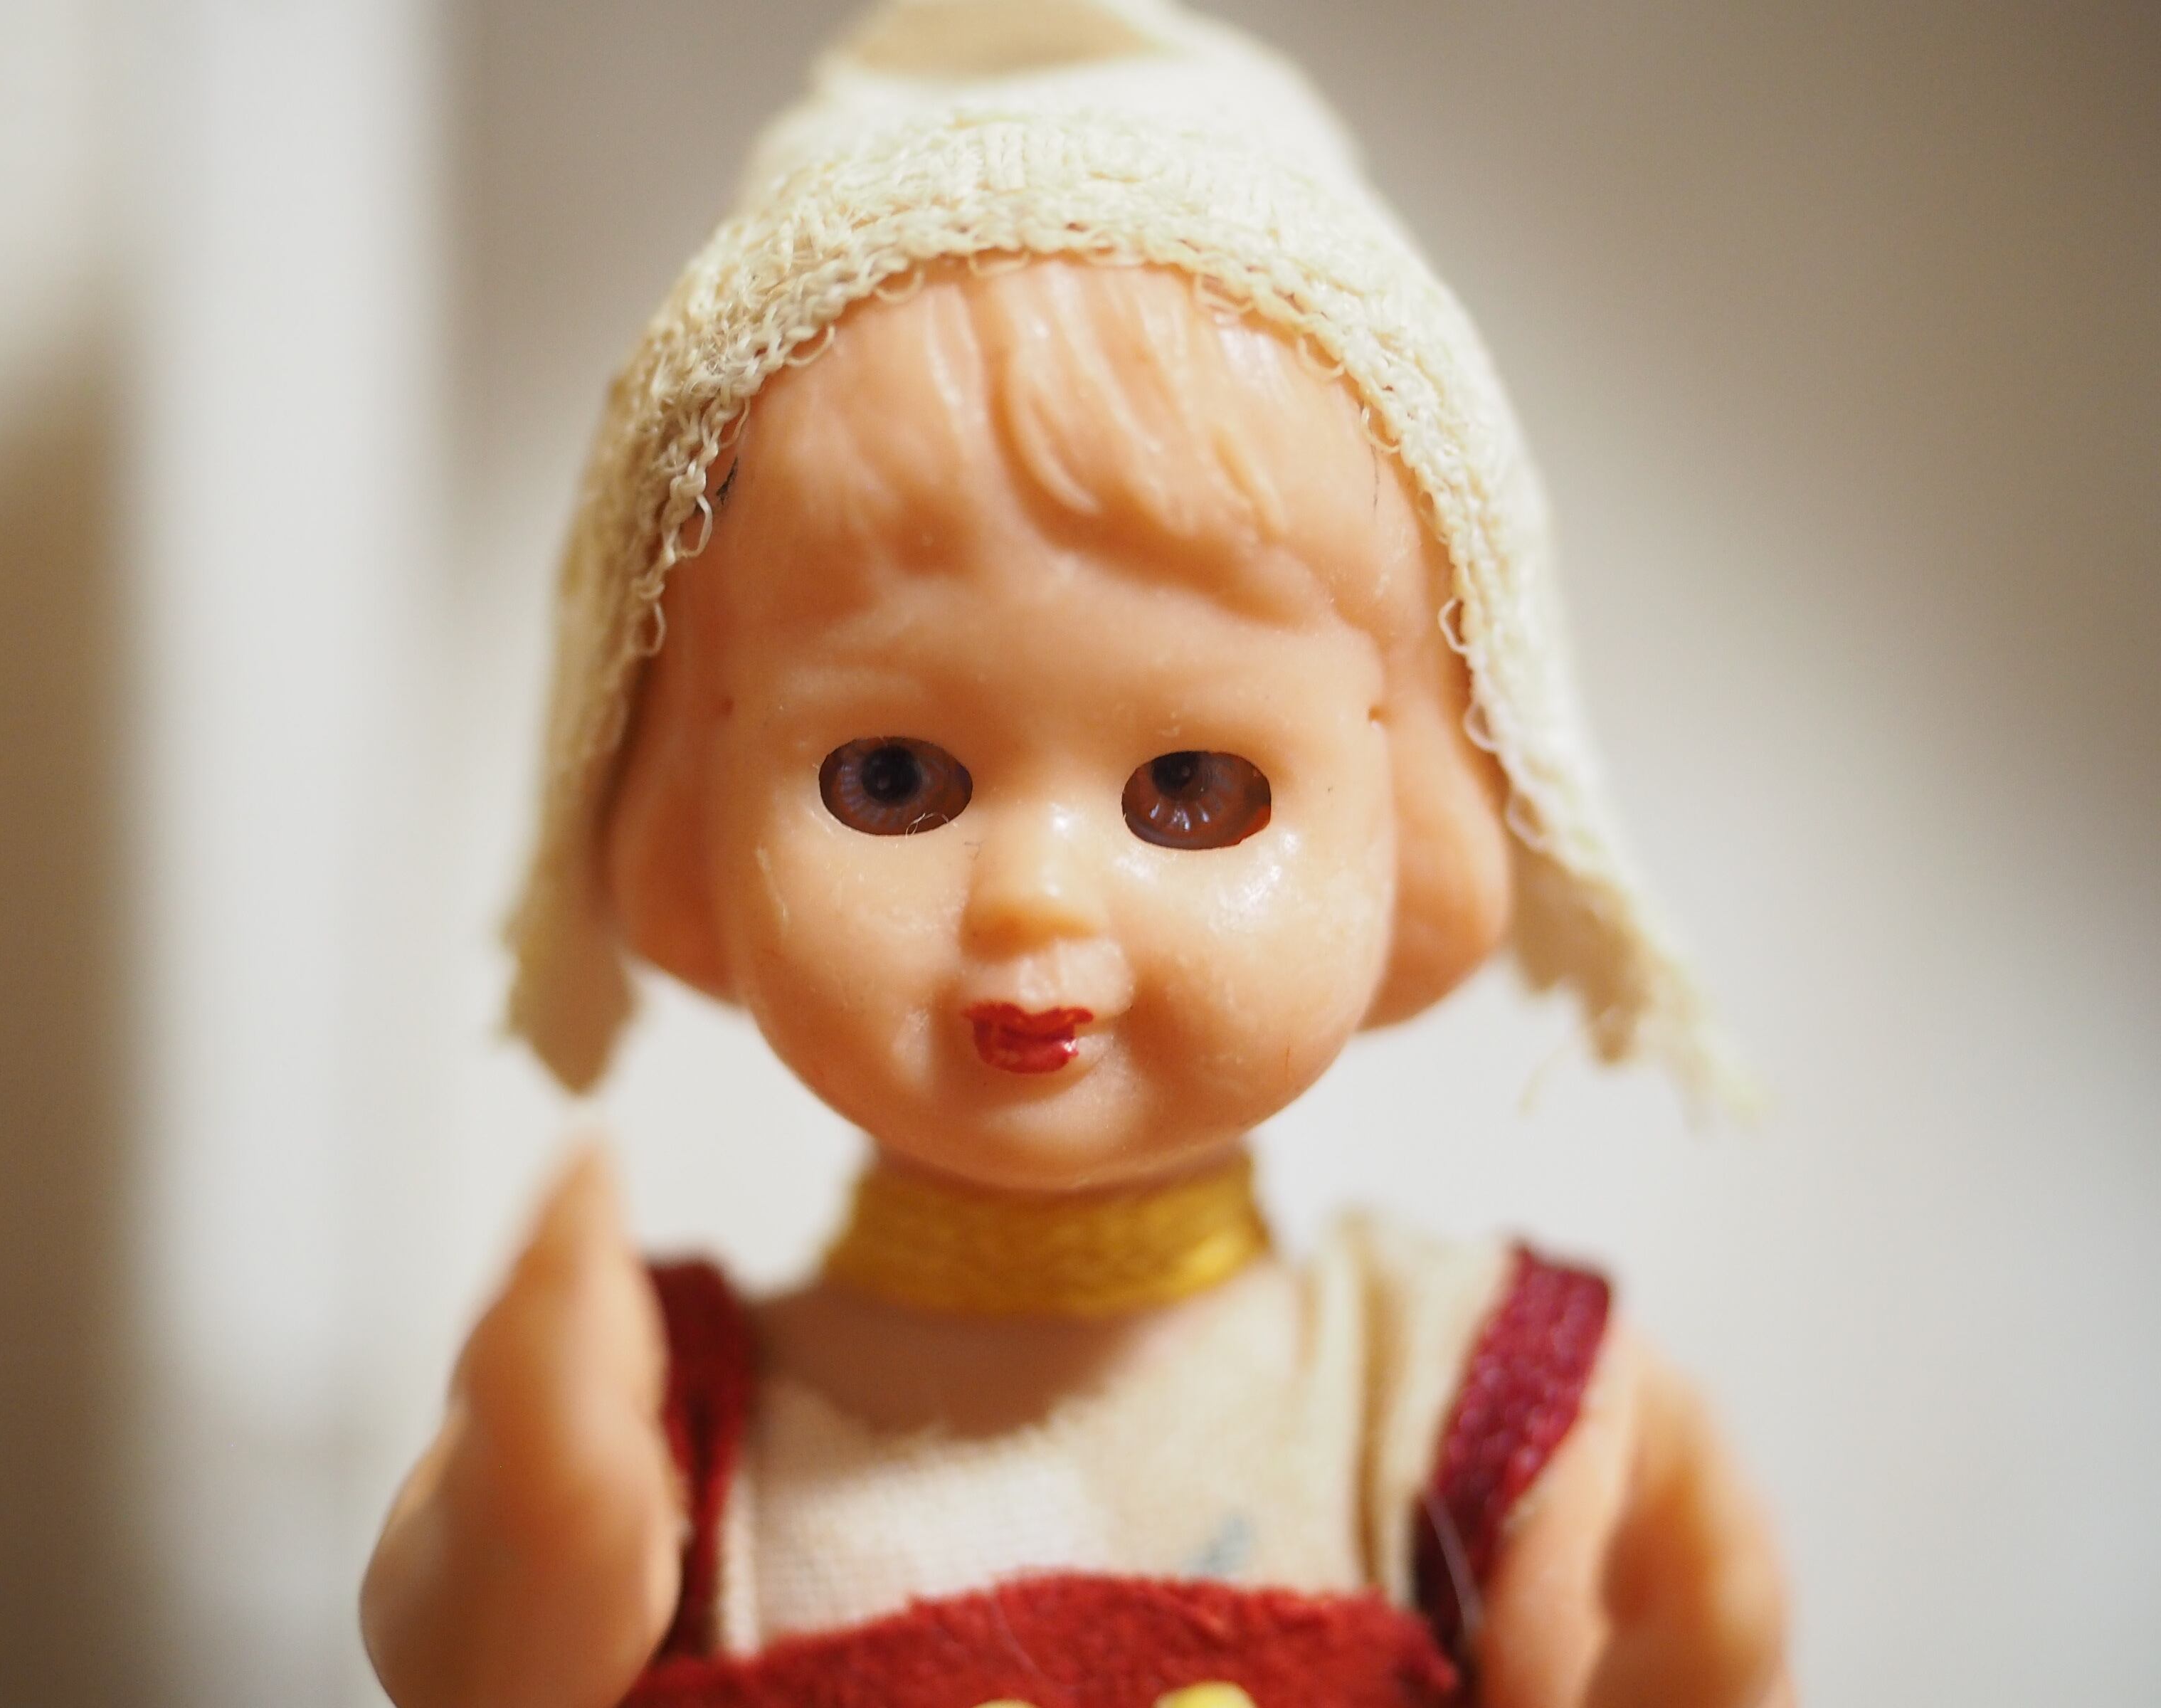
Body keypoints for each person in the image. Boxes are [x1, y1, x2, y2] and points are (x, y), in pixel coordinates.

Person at [362, 7, 1789, 1706]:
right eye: (894, 779)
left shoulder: (1435, 1399)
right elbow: (466, 1663)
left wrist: (1676, 1651)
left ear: (1410, 818)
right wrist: (535, 1541)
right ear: (691, 803)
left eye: (1191, 787)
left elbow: (1626, 1649)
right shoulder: (679, 1428)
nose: (1032, 895)